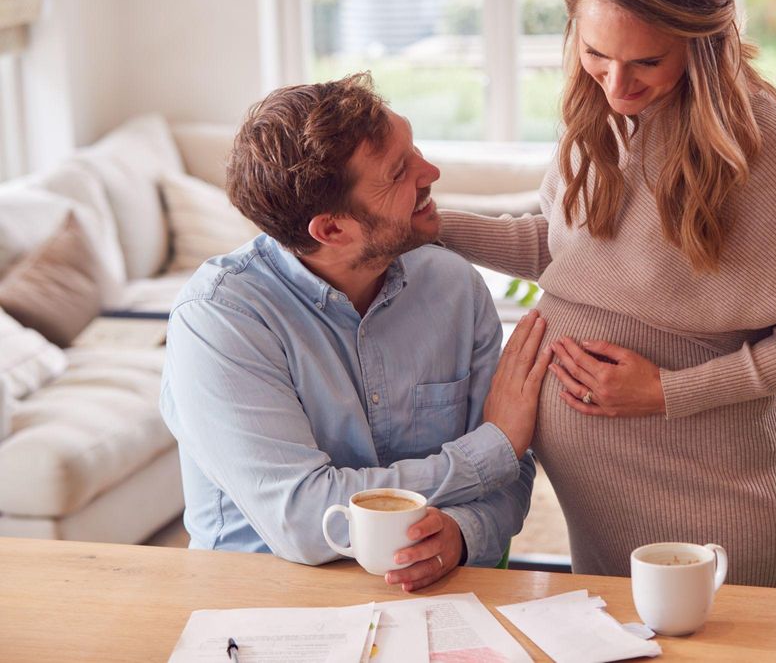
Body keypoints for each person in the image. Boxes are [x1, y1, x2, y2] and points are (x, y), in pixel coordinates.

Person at [438, 0, 776, 586]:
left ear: (700, 43)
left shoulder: (762, 143)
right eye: (597, 54)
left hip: (716, 499)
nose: (617, 85)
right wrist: (435, 227)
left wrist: (669, 391)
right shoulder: (600, 113)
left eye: (647, 62)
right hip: (599, 504)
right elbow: (566, 249)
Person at [160, 74, 551, 592]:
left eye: (414, 150)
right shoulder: (219, 320)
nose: (430, 172)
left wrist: (462, 531)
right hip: (262, 605)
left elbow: (510, 470)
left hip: (431, 601)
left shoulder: (454, 285)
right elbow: (306, 519)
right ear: (332, 230)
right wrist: (493, 447)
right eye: (398, 172)